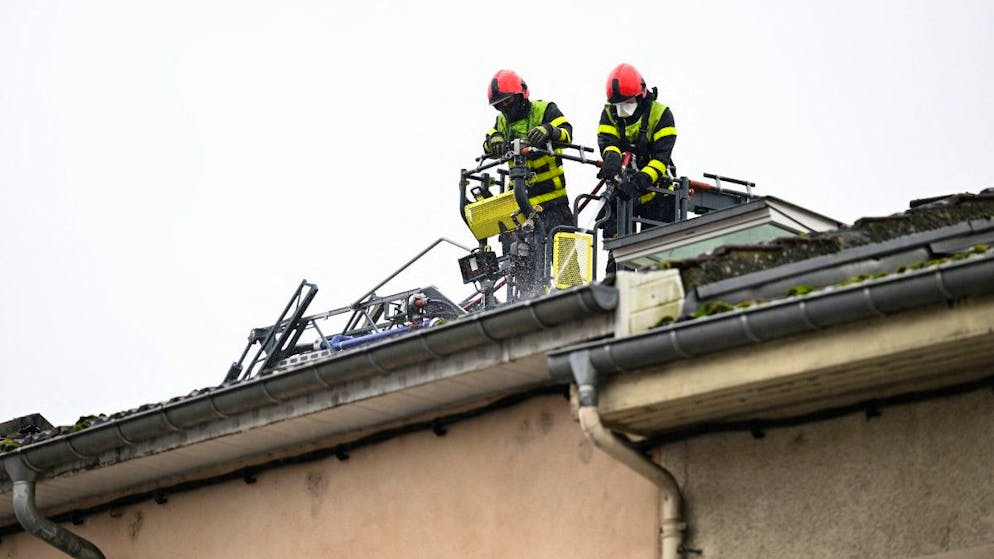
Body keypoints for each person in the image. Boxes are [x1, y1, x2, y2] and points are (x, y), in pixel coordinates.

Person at [595, 63, 678, 273]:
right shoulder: (610, 113)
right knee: (617, 255)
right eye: (618, 103)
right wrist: (611, 162)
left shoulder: (661, 115)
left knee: (652, 260)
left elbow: (661, 159)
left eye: (628, 102)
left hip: (657, 193)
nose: (623, 107)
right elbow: (608, 142)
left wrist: (639, 182)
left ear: (641, 95)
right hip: (622, 191)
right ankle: (614, 291)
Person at [482, 69, 576, 236]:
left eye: (508, 100)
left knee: (566, 259)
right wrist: (494, 139)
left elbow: (567, 134)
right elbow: (487, 144)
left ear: (521, 95)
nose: (506, 107)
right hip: (519, 207)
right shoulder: (501, 122)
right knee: (517, 258)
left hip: (553, 202)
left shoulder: (545, 109)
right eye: (500, 104)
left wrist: (548, 130)